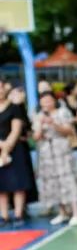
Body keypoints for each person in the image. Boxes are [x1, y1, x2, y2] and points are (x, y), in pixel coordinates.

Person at [32, 92, 77, 226]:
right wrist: (40, 125)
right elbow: (36, 137)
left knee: (68, 179)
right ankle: (62, 212)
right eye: (43, 101)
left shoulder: (63, 112)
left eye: (49, 100)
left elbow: (68, 131)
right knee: (52, 182)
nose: (46, 103)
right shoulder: (38, 116)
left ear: (54, 101)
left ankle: (76, 213)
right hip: (46, 152)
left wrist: (53, 123)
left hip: (62, 149)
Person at [0, 85, 34, 227]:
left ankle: (18, 214)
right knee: (1, 185)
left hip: (15, 149)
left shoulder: (15, 108)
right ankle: (4, 216)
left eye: (0, 87)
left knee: (18, 183)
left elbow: (16, 130)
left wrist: (6, 149)